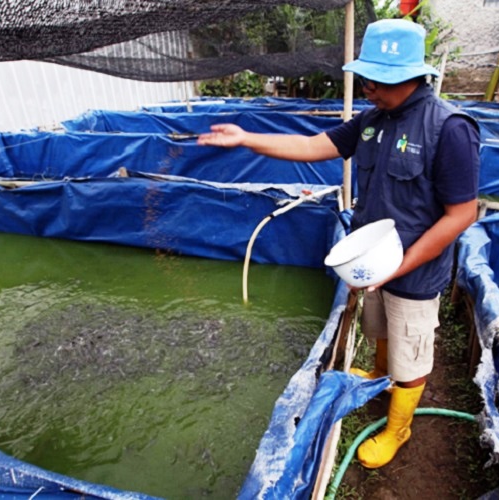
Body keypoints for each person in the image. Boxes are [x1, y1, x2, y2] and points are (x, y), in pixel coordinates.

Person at [198, 18, 480, 469]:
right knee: (379, 329)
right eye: (365, 77)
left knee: (411, 351)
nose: (366, 87)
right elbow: (312, 147)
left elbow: (463, 214)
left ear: (409, 76)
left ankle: (398, 428)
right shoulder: (371, 120)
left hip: (416, 269)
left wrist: (403, 265)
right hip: (373, 259)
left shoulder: (448, 129)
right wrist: (247, 138)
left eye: (376, 79)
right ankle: (379, 375)